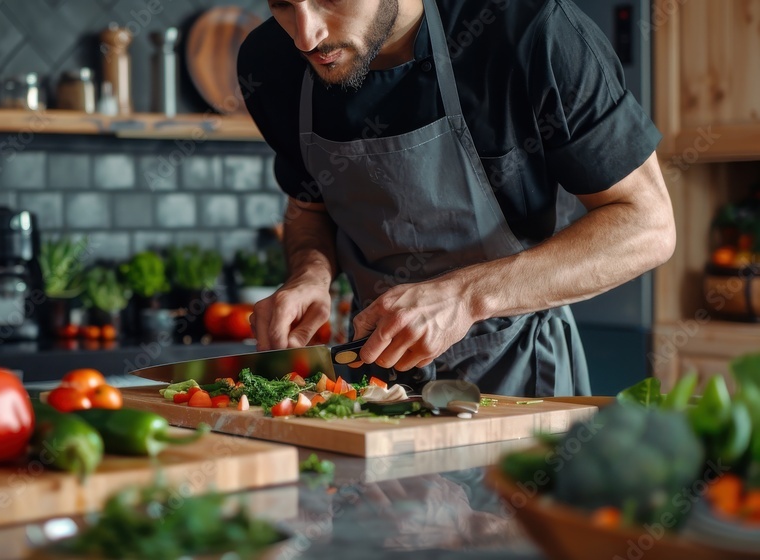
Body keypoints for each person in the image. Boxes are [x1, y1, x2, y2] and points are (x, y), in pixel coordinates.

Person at [238, 0, 675, 397]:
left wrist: (463, 297)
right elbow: (309, 207)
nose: (306, 35)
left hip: (521, 379)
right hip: (374, 385)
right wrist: (310, 275)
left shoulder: (531, 30)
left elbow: (647, 225)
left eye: (327, 0)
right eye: (282, 5)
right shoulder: (273, 61)